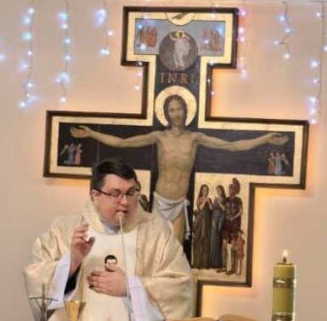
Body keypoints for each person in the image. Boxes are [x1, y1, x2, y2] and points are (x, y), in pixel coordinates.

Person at [24, 158, 194, 321]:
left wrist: (132, 287)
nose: (125, 202)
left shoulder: (157, 231)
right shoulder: (64, 229)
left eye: (131, 192)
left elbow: (180, 285)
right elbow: (35, 278)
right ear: (95, 195)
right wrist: (72, 262)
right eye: (115, 194)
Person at [71, 95, 288, 243]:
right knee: (152, 249)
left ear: (186, 111)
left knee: (175, 254)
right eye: (172, 109)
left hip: (179, 203)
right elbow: (122, 143)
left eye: (179, 108)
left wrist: (265, 139)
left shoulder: (195, 138)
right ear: (167, 113)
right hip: (160, 201)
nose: (176, 113)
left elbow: (232, 146)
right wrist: (91, 133)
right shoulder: (159, 137)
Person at [191, 183, 212, 269]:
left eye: (206, 190)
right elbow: (200, 208)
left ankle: (204, 264)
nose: (205, 191)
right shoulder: (199, 199)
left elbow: (211, 209)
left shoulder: (209, 199)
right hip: (200, 222)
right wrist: (204, 201)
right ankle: (197, 263)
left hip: (206, 222)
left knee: (205, 241)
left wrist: (209, 202)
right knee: (198, 240)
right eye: (204, 190)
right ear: (201, 191)